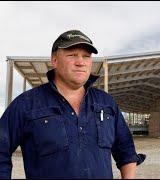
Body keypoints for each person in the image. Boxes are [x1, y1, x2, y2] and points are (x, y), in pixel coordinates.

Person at [0, 30, 145, 179]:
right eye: (72, 55)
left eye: (86, 56)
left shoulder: (106, 103)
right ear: (54, 60)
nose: (80, 62)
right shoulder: (26, 104)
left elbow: (126, 151)